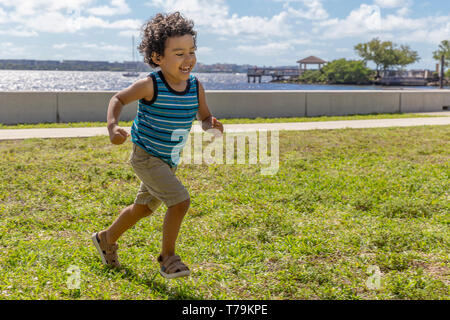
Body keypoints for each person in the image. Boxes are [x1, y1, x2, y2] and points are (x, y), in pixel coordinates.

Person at [91, 12, 223, 279]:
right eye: (179, 53)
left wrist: (211, 124)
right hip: (146, 157)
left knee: (143, 209)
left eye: (191, 52)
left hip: (168, 161)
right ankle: (168, 258)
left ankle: (106, 238)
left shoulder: (196, 86)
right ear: (157, 58)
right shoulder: (151, 84)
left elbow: (204, 116)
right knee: (179, 202)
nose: (188, 60)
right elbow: (118, 98)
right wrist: (112, 126)